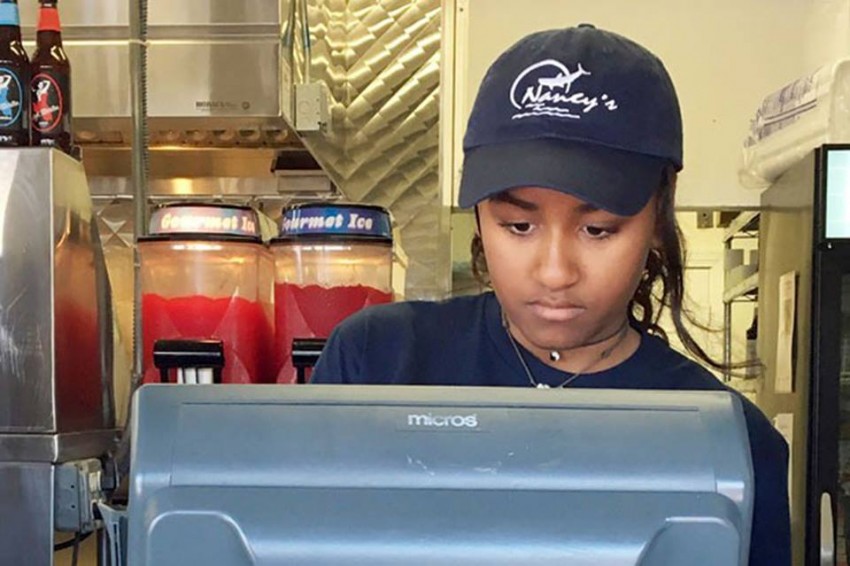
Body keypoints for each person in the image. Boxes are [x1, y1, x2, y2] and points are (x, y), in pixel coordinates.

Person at [311, 24, 790, 566]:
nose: (556, 272)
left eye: (598, 230)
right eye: (518, 226)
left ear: (659, 216)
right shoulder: (377, 363)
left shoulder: (729, 444)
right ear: (480, 217)